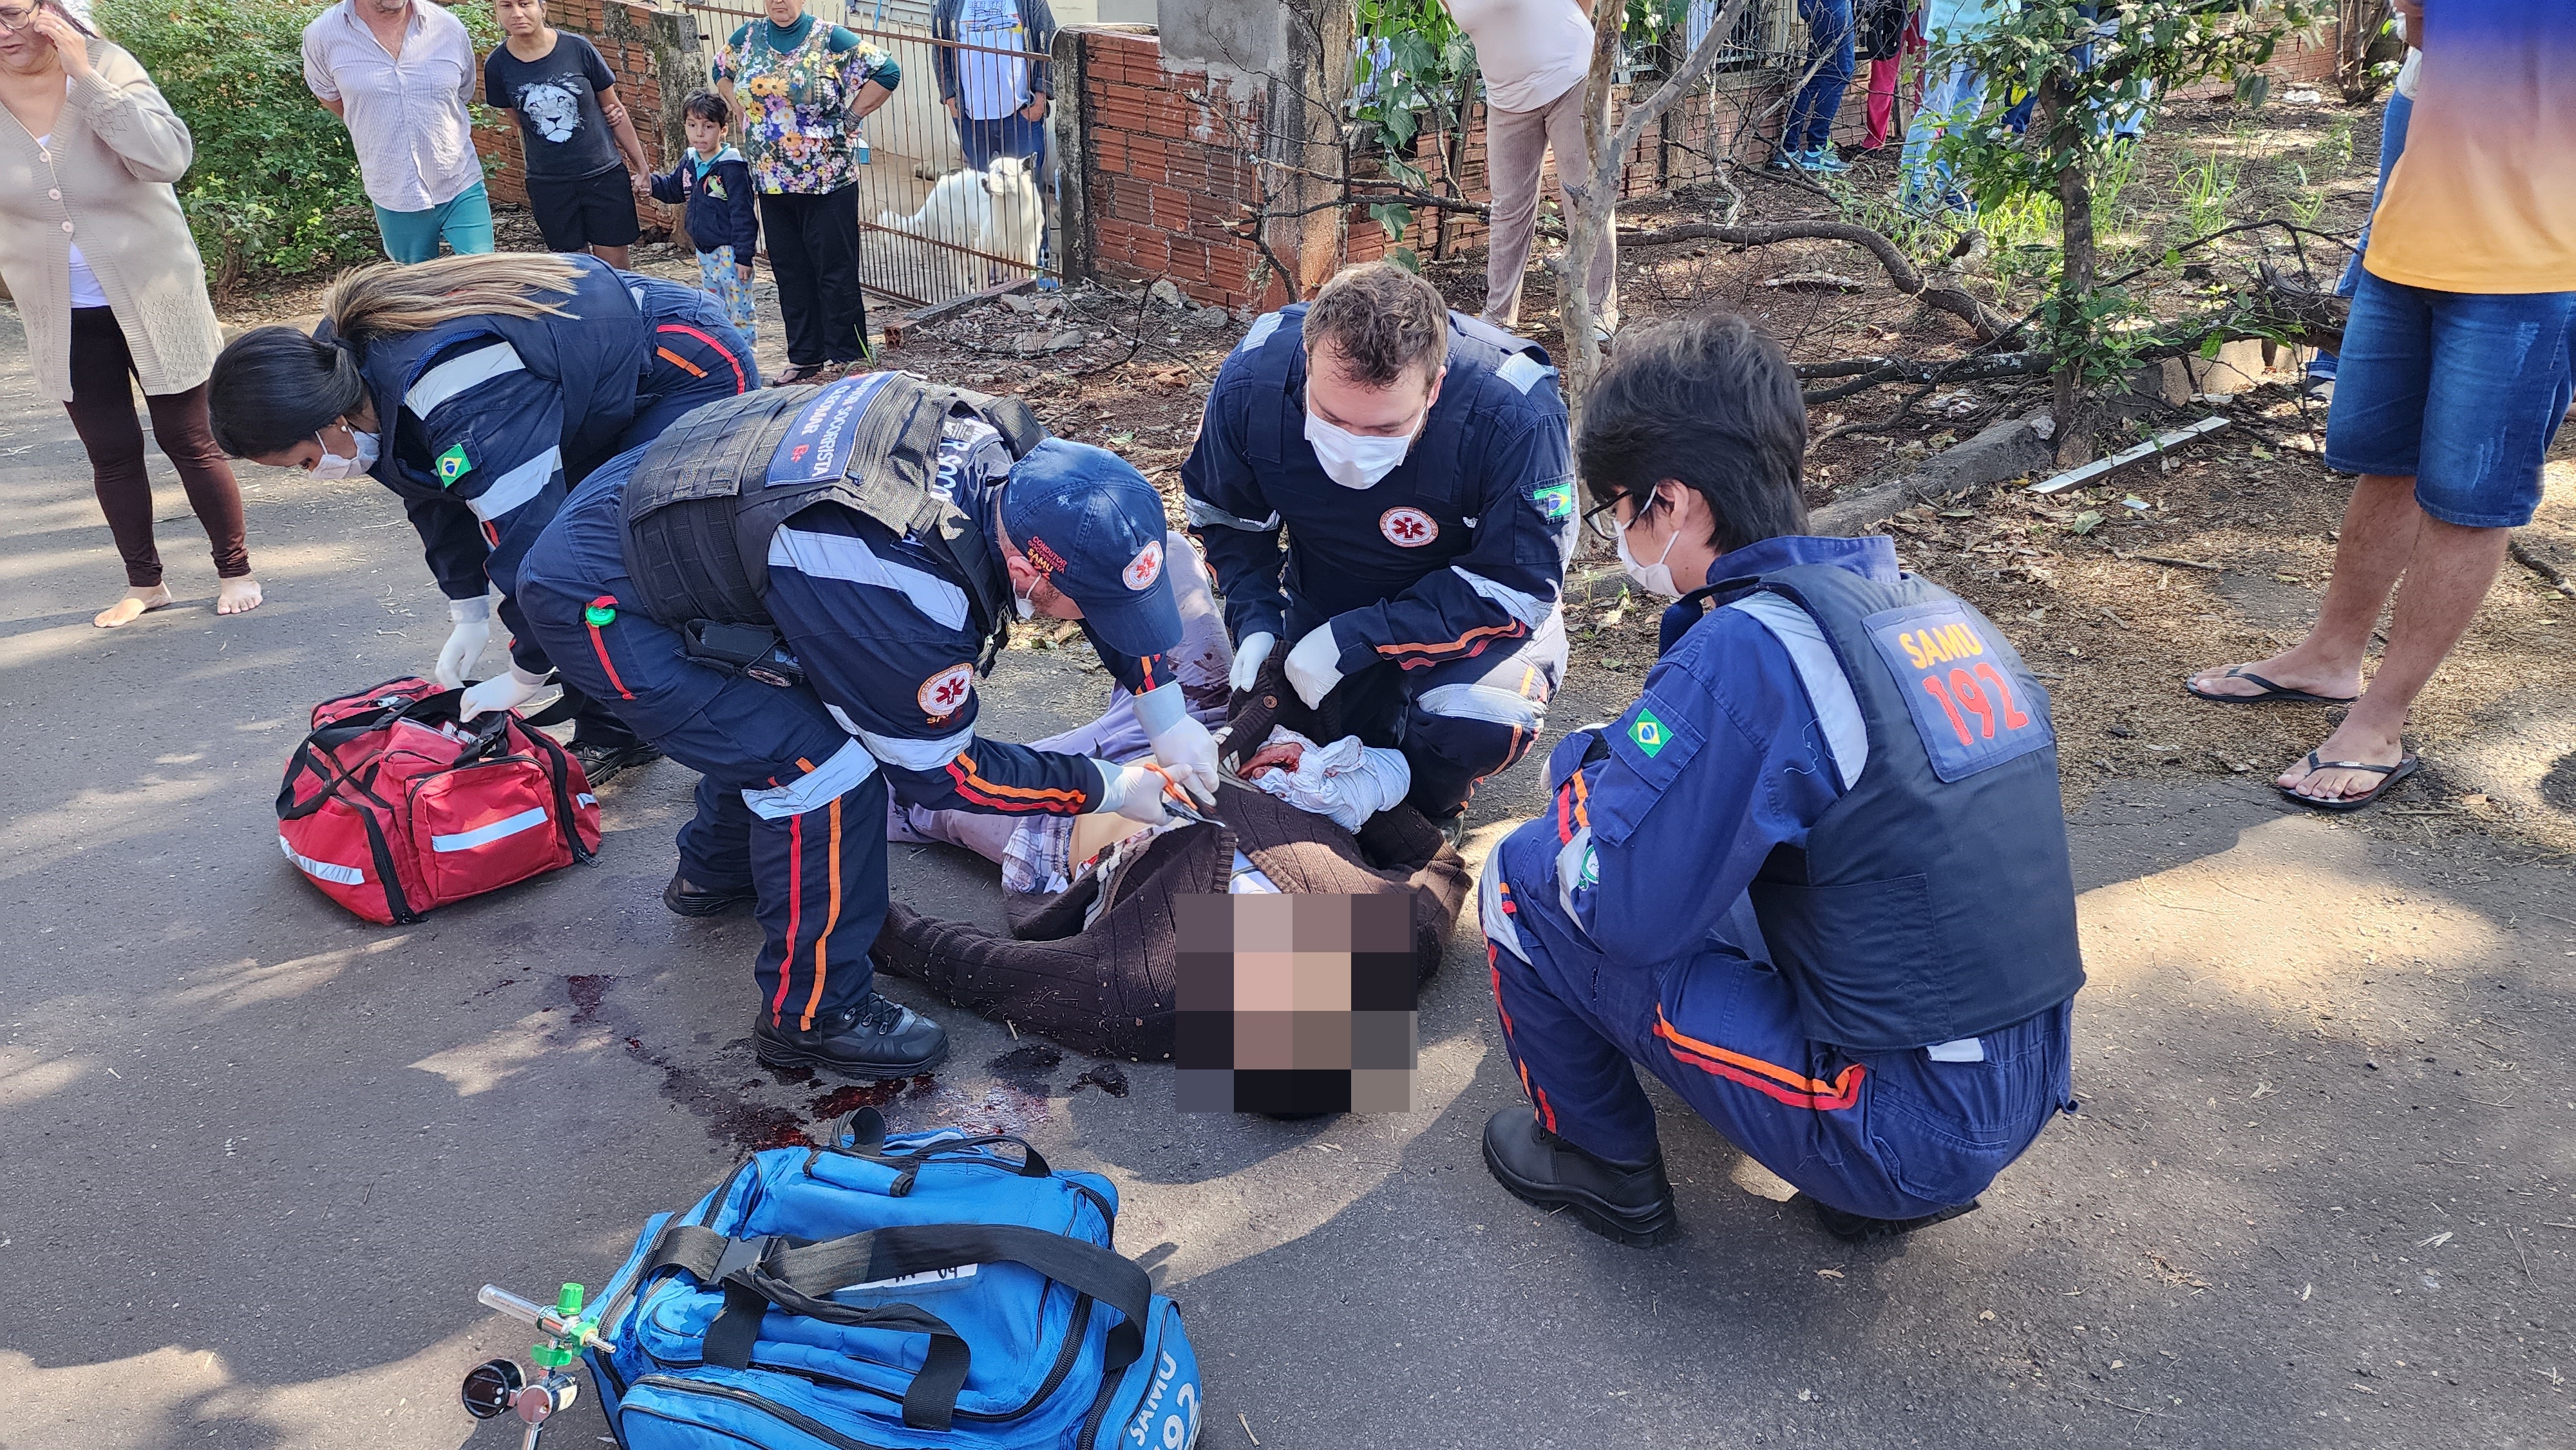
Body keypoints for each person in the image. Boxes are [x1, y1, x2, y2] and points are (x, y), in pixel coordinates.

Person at [1476, 313, 2083, 1247]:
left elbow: (1623, 912)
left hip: (1909, 1121)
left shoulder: (1752, 649)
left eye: (1616, 512)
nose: (1616, 539)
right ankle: (1876, 1173)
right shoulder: (1937, 613)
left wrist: (1581, 789)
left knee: (1523, 879)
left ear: (1672, 504)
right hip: (2022, 1078)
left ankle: (1601, 1164)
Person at [514, 372, 1218, 1077]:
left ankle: (716, 871)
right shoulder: (903, 585)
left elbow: (1105, 580)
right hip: (608, 594)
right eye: (1088, 607)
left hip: (688, 511)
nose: (1103, 624)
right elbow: (942, 775)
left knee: (794, 721)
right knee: (825, 771)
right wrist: (1110, 786)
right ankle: (815, 1016)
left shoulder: (1040, 474)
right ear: (1024, 572)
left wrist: (1164, 712)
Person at [2185, 0, 2576, 811]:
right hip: (2411, 238)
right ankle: (2330, 655)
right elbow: (2426, 38)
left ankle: (2381, 720)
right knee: (2387, 459)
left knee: (2471, 502)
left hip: (2538, 266)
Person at [203, 253, 757, 784]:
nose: (313, 473)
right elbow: (427, 487)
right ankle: (618, 731)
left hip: (681, 364)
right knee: (586, 549)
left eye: (303, 461)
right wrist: (466, 607)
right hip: (580, 394)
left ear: (327, 420)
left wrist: (524, 672)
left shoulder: (454, 386)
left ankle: (753, 734)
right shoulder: (338, 375)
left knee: (641, 552)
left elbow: (534, 545)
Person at [1181, 261, 1575, 838]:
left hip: (1475, 622)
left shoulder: (1513, 415)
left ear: (1435, 386)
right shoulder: (1254, 380)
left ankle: (1426, 809)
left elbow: (1517, 589)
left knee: (1477, 718)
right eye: (1333, 417)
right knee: (1281, 735)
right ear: (1308, 358)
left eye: (1385, 430)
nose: (1351, 449)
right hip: (1324, 601)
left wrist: (1362, 637)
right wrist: (1256, 614)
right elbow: (1226, 517)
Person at [0, 0, 260, 628]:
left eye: (9, 14)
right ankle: (146, 583)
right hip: (61, 311)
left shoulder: (108, 65)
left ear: (48, 11)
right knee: (110, 451)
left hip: (156, 295)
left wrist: (86, 79)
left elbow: (167, 158)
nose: (0, 32)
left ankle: (235, 568)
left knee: (188, 439)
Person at [888, 526, 1233, 871]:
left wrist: (1109, 790)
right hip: (1218, 714)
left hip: (1077, 818)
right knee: (1159, 553)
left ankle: (881, 793)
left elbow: (950, 775)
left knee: (924, 790)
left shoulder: (1266, 921)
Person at [714, 0, 902, 384]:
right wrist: (741, 111)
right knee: (790, 270)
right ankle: (805, 356)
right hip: (771, 179)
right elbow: (722, 70)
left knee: (834, 269)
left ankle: (850, 356)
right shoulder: (748, 38)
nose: (779, 1)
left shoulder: (829, 39)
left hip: (827, 177)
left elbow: (887, 70)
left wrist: (851, 116)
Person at [1446, 0, 1613, 336]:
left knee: (1585, 197)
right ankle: (1498, 317)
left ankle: (1600, 310)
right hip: (1506, 98)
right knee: (1508, 209)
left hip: (1571, 77)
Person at [303, 0, 495, 265]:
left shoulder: (448, 27)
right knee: (414, 293)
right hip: (394, 191)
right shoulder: (322, 34)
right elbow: (330, 96)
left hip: (460, 182)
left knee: (486, 278)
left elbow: (462, 92)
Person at [484, 0, 652, 267]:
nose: (517, 13)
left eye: (525, 4)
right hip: (549, 183)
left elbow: (613, 108)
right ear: (497, 11)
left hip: (603, 174)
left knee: (617, 269)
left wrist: (642, 167)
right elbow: (522, 120)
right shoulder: (497, 65)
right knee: (575, 271)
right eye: (506, 6)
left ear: (543, 8)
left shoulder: (578, 48)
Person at [2309, 21, 2419, 387]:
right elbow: (2414, 27)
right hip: (2431, 93)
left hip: (2546, 105)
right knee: (2387, 224)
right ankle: (2331, 361)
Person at [650, 89, 761, 349]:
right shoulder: (690, 161)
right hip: (704, 251)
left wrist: (744, 256)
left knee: (740, 309)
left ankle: (746, 355)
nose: (699, 133)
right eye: (692, 125)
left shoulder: (732, 168)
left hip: (730, 252)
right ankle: (724, 353)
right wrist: (648, 184)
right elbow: (673, 190)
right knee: (715, 308)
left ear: (723, 130)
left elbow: (743, 215)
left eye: (708, 126)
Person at [932, 0, 1055, 173]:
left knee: (1026, 186)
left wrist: (1040, 101)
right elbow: (940, 47)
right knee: (984, 189)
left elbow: (1047, 44)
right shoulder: (950, 3)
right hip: (971, 117)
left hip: (1021, 115)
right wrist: (951, 99)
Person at [1776, 0, 1857, 173]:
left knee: (1814, 73)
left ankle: (1788, 148)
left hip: (1814, 6)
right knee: (1840, 71)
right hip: (1834, 7)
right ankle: (1816, 149)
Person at [1857, 0, 1920, 153]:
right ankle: (1874, 140)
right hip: (1892, 10)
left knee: (1927, 79)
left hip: (1927, 14)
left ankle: (1926, 138)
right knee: (1882, 79)